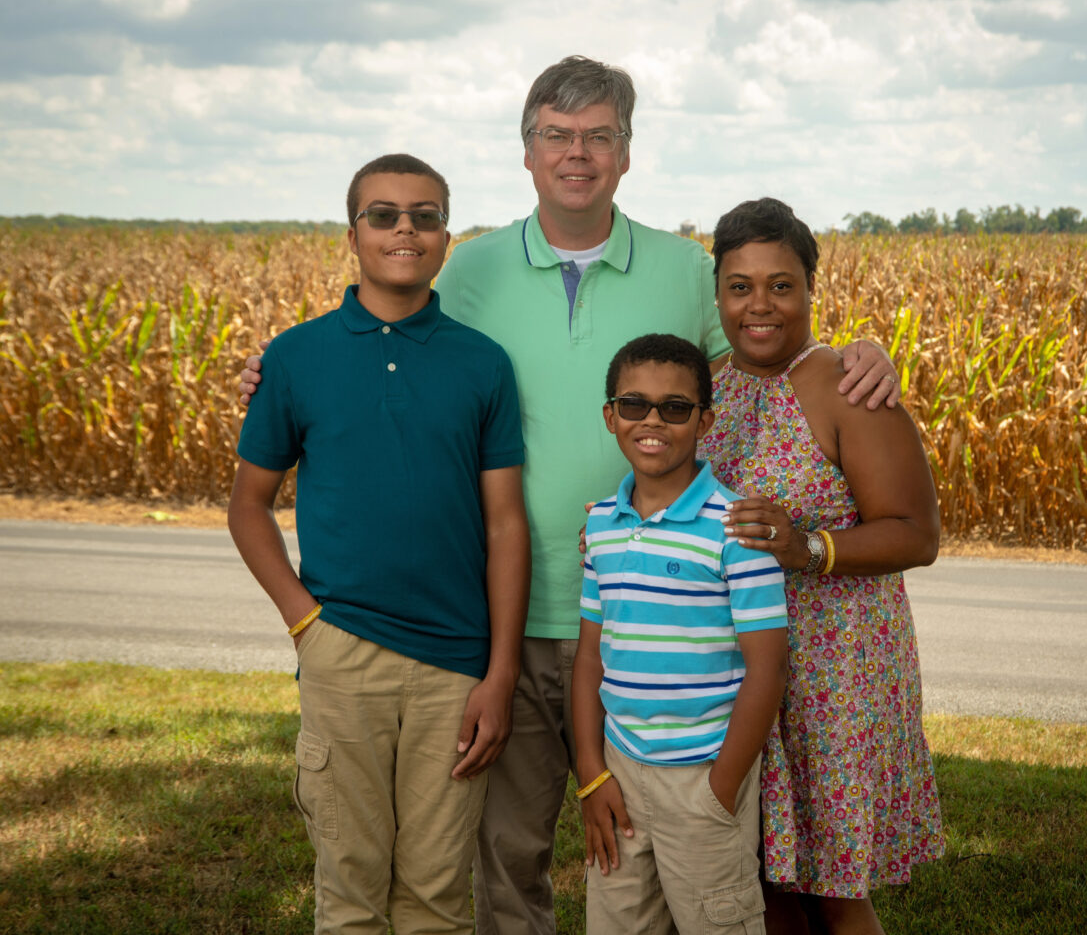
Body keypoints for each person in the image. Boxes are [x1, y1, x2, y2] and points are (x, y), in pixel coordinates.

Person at [237, 56, 901, 935]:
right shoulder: (467, 271)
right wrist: (271, 368)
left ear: (627, 153)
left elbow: (765, 336)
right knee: (507, 861)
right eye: (556, 134)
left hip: (650, 625)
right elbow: (383, 326)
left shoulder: (681, 267)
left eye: (599, 136)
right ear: (526, 152)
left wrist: (859, 351)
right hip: (496, 620)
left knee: (655, 862)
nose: (577, 153)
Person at [227, 153, 530, 935]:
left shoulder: (482, 363)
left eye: (425, 215)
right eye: (385, 215)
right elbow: (249, 507)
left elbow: (504, 525)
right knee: (351, 890)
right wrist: (306, 622)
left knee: (436, 895)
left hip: (455, 670)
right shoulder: (296, 357)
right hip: (343, 653)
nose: (406, 229)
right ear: (353, 234)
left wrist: (500, 673)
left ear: (446, 236)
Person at [705, 198, 944, 935]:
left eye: (782, 284)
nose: (760, 306)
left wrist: (809, 548)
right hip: (737, 665)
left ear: (812, 289)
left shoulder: (847, 385)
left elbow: (916, 532)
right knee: (761, 872)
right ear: (717, 294)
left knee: (832, 888)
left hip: (833, 668)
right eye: (740, 286)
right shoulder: (708, 384)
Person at [573, 333, 788, 935]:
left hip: (702, 778)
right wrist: (591, 774)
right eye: (635, 405)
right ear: (611, 415)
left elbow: (767, 668)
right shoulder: (601, 525)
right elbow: (591, 659)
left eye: (675, 408)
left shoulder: (737, 528)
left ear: (704, 421)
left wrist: (721, 790)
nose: (653, 422)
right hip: (618, 771)